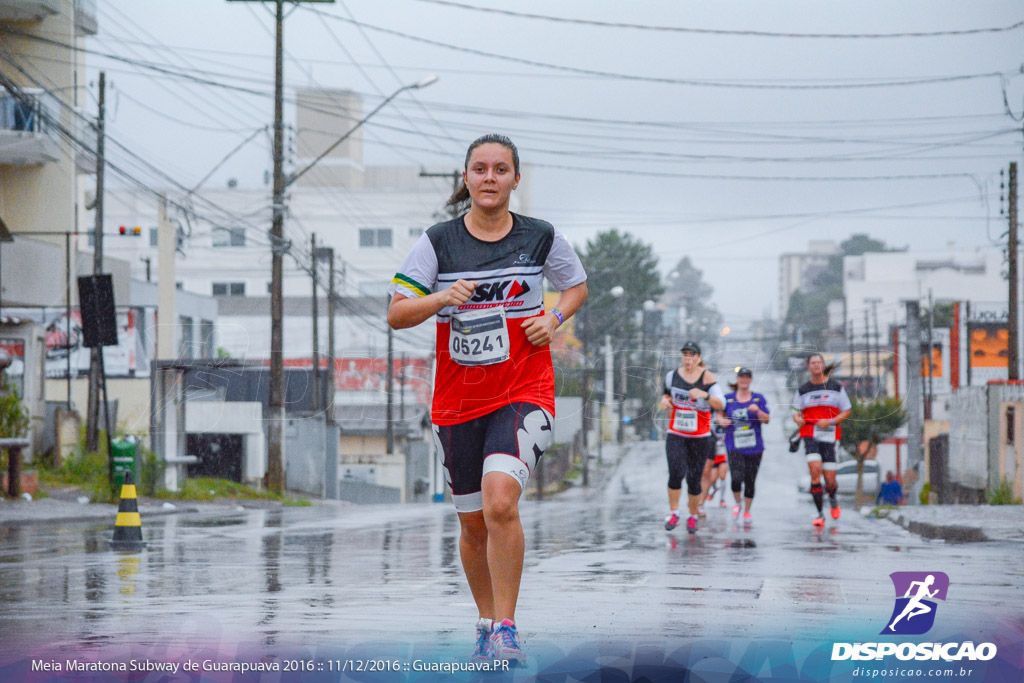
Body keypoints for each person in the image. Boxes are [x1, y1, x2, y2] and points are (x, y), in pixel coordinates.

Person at [387, 134, 588, 665]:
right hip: (456, 402)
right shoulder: (437, 243)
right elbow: (397, 312)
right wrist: (440, 297)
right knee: (473, 523)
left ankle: (507, 626)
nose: (491, 177)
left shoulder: (541, 238)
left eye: (502, 169)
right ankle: (485, 619)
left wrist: (555, 317)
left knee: (501, 502)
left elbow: (576, 286)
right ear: (466, 179)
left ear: (516, 179)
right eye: (481, 169)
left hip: (524, 390)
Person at [659, 342, 726, 534]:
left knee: (695, 480)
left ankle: (692, 515)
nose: (688, 358)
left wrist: (704, 394)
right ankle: (673, 513)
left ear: (698, 357)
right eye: (685, 355)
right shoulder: (672, 376)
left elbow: (721, 403)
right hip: (676, 433)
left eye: (691, 355)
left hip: (700, 436)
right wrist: (664, 401)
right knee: (675, 472)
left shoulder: (707, 377)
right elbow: (666, 396)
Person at [791, 353, 852, 528]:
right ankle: (819, 513)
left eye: (819, 362)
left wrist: (831, 421)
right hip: (810, 433)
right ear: (808, 367)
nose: (816, 365)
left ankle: (833, 497)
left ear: (823, 366)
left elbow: (847, 410)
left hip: (830, 435)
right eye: (813, 363)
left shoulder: (836, 387)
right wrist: (797, 419)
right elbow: (795, 411)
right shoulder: (803, 389)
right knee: (815, 470)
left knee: (830, 480)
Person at [717, 367, 770, 525]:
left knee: (750, 480)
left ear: (751, 380)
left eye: (747, 377)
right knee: (736, 477)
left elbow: (767, 419)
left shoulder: (758, 398)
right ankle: (737, 503)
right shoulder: (727, 398)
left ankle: (747, 511)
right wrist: (722, 421)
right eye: (741, 377)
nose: (744, 380)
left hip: (755, 446)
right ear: (737, 379)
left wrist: (758, 412)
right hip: (734, 445)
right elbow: (718, 415)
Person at [706, 423, 729, 509]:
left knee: (722, 476)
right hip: (714, 455)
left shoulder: (728, 422)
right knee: (713, 478)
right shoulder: (712, 424)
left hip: (724, 454)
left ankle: (722, 499)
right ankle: (714, 489)